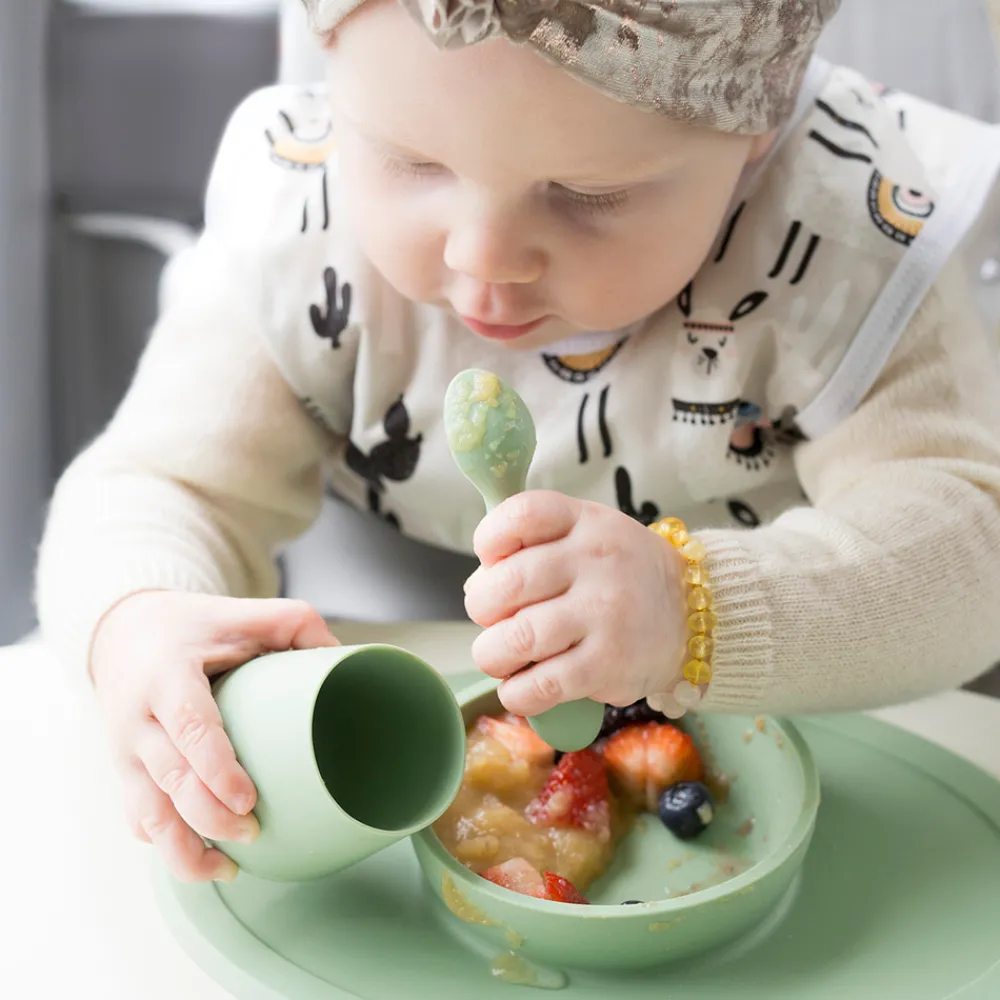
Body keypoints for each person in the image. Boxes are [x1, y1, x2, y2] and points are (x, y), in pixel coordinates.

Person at [35, 0, 1000, 884]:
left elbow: (972, 543)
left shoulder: (837, 232)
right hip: (389, 710)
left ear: (756, 127)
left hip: (800, 720)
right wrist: (137, 618)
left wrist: (693, 608)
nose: (481, 257)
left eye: (587, 193)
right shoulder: (306, 229)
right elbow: (157, 483)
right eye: (412, 160)